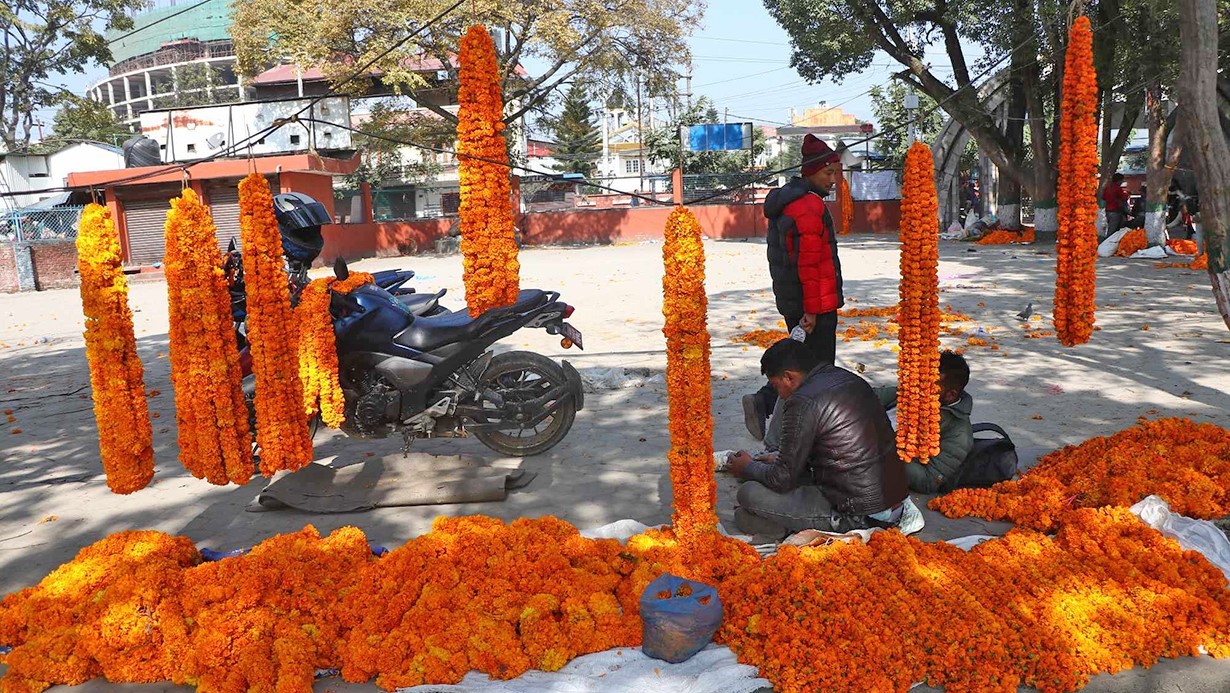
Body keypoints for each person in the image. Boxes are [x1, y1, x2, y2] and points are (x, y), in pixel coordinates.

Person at [728, 339, 924, 539]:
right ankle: (782, 523)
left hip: (858, 514)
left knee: (749, 493)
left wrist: (748, 467)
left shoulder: (801, 401)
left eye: (776, 387)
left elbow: (782, 478)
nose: (780, 395)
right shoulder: (846, 378)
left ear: (788, 377)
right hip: (889, 497)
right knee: (760, 493)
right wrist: (778, 459)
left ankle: (791, 528)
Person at [742, 134, 845, 441]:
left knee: (800, 365)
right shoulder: (807, 206)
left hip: (794, 301)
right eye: (828, 173)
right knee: (817, 372)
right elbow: (811, 265)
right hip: (813, 305)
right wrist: (812, 311)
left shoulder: (789, 202)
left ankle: (769, 405)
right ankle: (777, 410)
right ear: (811, 171)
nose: (833, 180)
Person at [874, 350, 974, 494]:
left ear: (950, 395)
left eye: (928, 387)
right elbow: (869, 395)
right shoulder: (913, 390)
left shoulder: (959, 434)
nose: (918, 389)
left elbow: (928, 480)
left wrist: (883, 452)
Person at [1101, 173, 1130, 238]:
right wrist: (1127, 194)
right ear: (1119, 180)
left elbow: (1103, 197)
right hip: (1116, 211)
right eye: (1122, 180)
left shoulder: (1108, 188)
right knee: (1113, 231)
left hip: (1108, 211)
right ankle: (1107, 244)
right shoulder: (1117, 188)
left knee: (1111, 228)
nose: (1122, 182)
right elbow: (1124, 197)